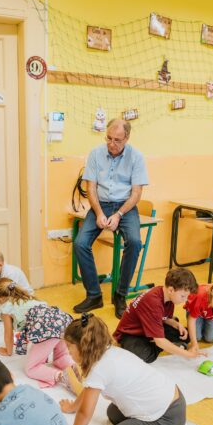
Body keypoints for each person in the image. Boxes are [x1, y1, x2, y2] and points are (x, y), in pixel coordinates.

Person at [61, 314, 204, 425]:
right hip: (174, 403)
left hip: (166, 418)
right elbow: (89, 388)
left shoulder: (99, 369)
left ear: (83, 346)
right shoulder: (109, 351)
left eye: (69, 347)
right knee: (113, 413)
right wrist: (73, 407)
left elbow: (85, 413)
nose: (68, 351)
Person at [72, 118, 150, 318]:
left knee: (134, 242)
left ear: (127, 138)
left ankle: (120, 295)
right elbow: (91, 188)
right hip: (101, 204)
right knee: (80, 243)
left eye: (117, 140)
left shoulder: (136, 157)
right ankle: (94, 295)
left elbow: (136, 194)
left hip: (126, 206)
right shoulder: (95, 154)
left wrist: (119, 214)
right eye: (108, 138)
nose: (111, 144)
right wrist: (99, 213)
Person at [0, 278, 76, 388]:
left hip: (46, 329)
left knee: (31, 369)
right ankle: (75, 368)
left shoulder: (6, 308)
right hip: (63, 322)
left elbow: (8, 334)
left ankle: (61, 377)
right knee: (61, 356)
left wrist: (8, 351)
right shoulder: (28, 297)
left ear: (0, 298)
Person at [113, 268, 198, 363]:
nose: (185, 300)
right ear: (171, 290)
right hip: (131, 334)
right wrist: (187, 354)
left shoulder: (167, 295)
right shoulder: (153, 302)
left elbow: (163, 317)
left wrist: (176, 324)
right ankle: (161, 345)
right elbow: (160, 340)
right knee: (143, 355)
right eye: (183, 296)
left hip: (149, 326)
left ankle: (163, 342)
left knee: (184, 335)